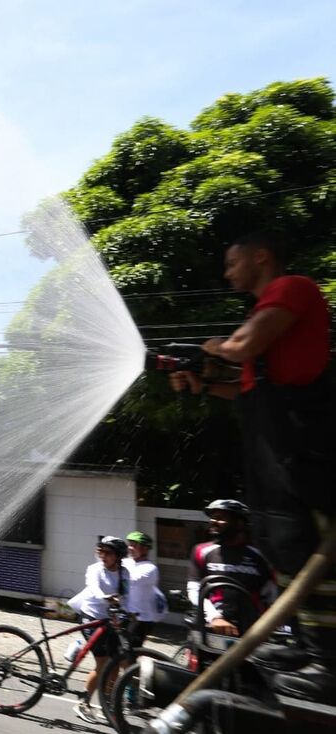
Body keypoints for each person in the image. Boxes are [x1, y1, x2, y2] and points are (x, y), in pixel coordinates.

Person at [169, 230, 336, 701]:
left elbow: (240, 347)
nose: (226, 272)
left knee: (313, 555)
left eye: (231, 261)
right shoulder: (261, 322)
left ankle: (330, 662)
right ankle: (306, 650)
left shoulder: (292, 289)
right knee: (285, 550)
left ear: (261, 257)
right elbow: (244, 389)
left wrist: (210, 347)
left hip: (305, 450)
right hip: (276, 455)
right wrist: (201, 383)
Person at [187, 500, 278, 638]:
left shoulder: (260, 555)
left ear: (239, 523)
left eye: (220, 518)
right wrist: (215, 617)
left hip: (252, 630)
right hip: (211, 625)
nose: (213, 521)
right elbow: (194, 588)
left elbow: (272, 593)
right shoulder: (201, 550)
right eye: (212, 517)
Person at [67, 536, 130, 725]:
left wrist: (131, 610)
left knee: (116, 664)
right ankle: (83, 703)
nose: (102, 556)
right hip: (91, 617)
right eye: (100, 551)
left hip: (110, 620)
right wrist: (107, 597)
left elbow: (127, 594)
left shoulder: (123, 573)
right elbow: (94, 588)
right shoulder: (94, 569)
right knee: (102, 662)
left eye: (108, 553)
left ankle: (107, 702)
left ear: (118, 556)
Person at [122, 531, 165, 651]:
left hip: (141, 620)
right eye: (129, 544)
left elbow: (129, 580)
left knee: (130, 654)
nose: (130, 548)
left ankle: (142, 668)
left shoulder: (150, 568)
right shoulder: (128, 562)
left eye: (134, 545)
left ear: (145, 549)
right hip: (126, 615)